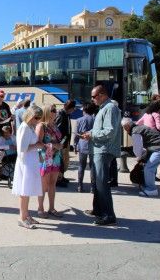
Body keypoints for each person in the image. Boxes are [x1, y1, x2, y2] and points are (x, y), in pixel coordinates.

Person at [81, 85, 121, 226]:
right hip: (99, 149)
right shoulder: (104, 108)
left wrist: (92, 134)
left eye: (94, 96)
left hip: (103, 150)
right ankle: (98, 210)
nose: (92, 100)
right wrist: (90, 133)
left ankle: (108, 215)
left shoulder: (109, 108)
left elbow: (109, 131)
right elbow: (100, 128)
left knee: (102, 184)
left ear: (102, 94)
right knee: (98, 183)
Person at [121, 118, 160, 197]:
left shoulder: (135, 132)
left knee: (149, 168)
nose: (124, 129)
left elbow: (137, 148)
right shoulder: (140, 127)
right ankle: (148, 186)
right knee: (151, 167)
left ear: (126, 126)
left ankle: (151, 189)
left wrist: (139, 158)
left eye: (123, 127)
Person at [12, 105, 45, 229]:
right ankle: (22, 218)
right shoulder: (25, 127)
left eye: (39, 118)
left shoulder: (30, 127)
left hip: (30, 161)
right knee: (24, 191)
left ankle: (26, 215)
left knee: (28, 190)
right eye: (36, 117)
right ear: (30, 115)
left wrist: (38, 146)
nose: (38, 120)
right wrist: (38, 146)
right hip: (26, 162)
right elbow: (22, 149)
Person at [35, 104, 63, 218]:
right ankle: (40, 209)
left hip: (55, 158)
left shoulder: (54, 125)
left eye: (55, 110)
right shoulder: (41, 126)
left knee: (52, 184)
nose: (55, 112)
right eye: (53, 110)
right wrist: (53, 145)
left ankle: (51, 208)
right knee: (43, 185)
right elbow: (38, 143)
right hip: (45, 159)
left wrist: (59, 145)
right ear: (47, 111)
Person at [74, 102, 96, 193]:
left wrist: (75, 145)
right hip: (93, 145)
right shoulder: (95, 119)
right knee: (93, 166)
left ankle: (80, 186)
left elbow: (76, 134)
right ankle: (93, 187)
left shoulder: (79, 120)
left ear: (85, 110)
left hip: (82, 144)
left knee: (81, 166)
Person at [55, 99, 76, 187]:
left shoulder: (67, 114)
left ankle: (62, 176)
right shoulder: (61, 114)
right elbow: (59, 131)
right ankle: (58, 179)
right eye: (73, 108)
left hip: (65, 142)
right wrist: (62, 143)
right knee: (60, 161)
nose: (74, 110)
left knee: (64, 161)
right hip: (62, 143)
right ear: (70, 108)